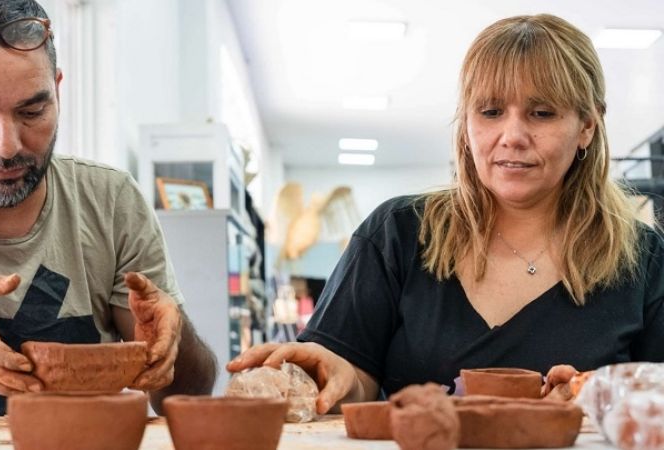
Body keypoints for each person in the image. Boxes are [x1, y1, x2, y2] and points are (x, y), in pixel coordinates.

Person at [228, 13, 664, 414]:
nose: (512, 135)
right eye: (491, 111)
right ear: (467, 122)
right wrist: (337, 369)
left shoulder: (644, 261)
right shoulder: (396, 234)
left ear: (587, 125)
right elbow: (352, 378)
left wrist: (601, 395)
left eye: (542, 113)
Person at [0, 0, 216, 416]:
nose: (7, 145)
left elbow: (187, 396)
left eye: (32, 111)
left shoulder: (112, 201)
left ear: (58, 93)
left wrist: (171, 345)